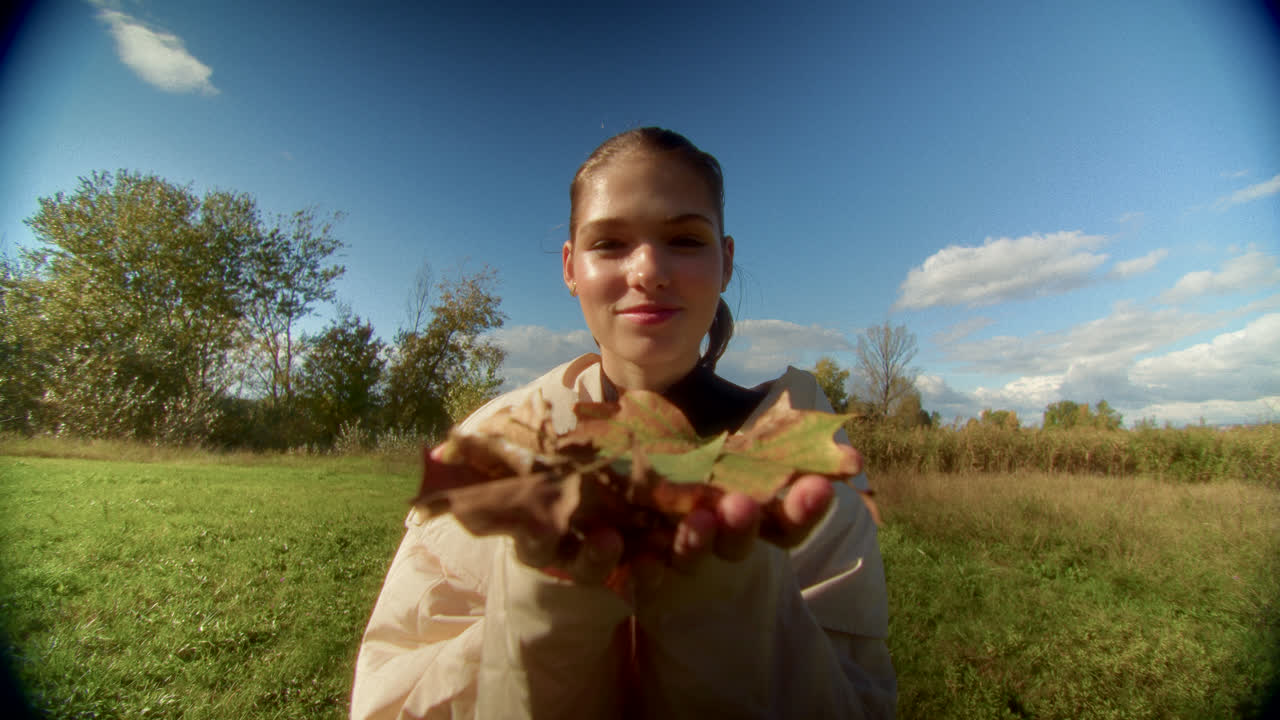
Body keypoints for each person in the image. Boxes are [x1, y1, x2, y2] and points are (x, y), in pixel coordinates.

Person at [351, 128, 895, 719]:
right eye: (609, 243)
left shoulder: (800, 454)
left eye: (685, 239)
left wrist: (732, 595)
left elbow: (856, 702)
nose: (648, 270)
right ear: (570, 266)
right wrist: (549, 598)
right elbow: (390, 697)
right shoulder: (496, 445)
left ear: (726, 260)